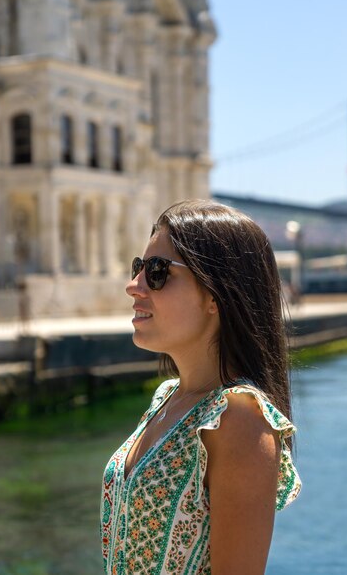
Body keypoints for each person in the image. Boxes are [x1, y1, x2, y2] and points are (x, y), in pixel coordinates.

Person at [100, 199, 301, 575]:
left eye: (157, 272)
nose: (133, 286)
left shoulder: (239, 419)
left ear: (215, 294)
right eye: (138, 268)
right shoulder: (167, 398)